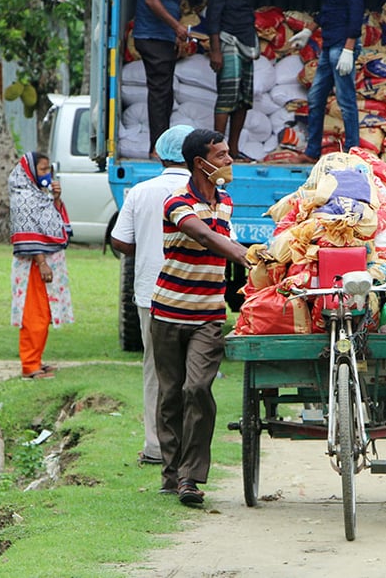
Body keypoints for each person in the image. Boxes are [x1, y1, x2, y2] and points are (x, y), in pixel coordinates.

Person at [150, 128, 250, 505]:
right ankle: (171, 473)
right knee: (170, 395)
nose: (229, 161)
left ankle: (191, 478)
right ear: (200, 163)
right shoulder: (176, 203)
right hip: (167, 311)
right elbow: (206, 237)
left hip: (208, 316)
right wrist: (245, 254)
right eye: (222, 156)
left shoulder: (226, 203)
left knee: (197, 389)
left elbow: (220, 241)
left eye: (228, 154)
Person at [111, 124, 195, 467]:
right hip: (196, 294)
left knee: (156, 371)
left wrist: (147, 245)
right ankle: (188, 447)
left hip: (152, 293)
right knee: (194, 376)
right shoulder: (203, 191)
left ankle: (156, 447)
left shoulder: (141, 192)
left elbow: (119, 241)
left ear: (159, 154)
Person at [9, 152, 74, 380]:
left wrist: (56, 199)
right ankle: (30, 365)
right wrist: (42, 262)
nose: (47, 174)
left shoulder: (40, 195)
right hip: (34, 266)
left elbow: (55, 226)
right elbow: (28, 233)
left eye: (49, 170)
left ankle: (36, 359)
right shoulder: (23, 198)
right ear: (31, 172)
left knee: (45, 313)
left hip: (47, 262)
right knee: (33, 314)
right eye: (43, 170)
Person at [288, 0, 363, 162]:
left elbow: (356, 10)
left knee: (345, 101)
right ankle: (313, 152)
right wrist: (308, 30)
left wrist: (349, 48)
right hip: (329, 44)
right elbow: (329, 10)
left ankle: (352, 153)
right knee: (315, 97)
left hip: (342, 45)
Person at [134, 0, 189, 158]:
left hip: (160, 36)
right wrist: (177, 27)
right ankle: (157, 149)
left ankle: (161, 145)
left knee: (165, 93)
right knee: (160, 92)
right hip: (153, 35)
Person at [206, 0, 258, 162]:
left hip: (246, 38)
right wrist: (215, 49)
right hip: (227, 37)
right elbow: (214, 9)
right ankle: (217, 151)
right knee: (227, 96)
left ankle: (233, 150)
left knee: (244, 98)